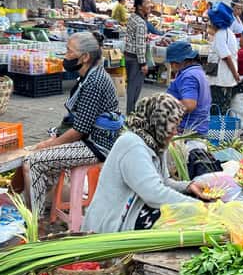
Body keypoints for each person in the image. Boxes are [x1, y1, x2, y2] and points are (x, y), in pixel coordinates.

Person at [22, 33, 119, 213]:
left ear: (85, 57)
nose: (65, 56)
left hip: (96, 145)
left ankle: (34, 220)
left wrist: (47, 144)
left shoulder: (95, 82)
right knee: (39, 153)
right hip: (89, 138)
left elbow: (79, 131)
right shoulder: (88, 76)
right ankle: (41, 202)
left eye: (69, 51)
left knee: (32, 162)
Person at [81, 94, 204, 233]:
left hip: (138, 208)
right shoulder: (132, 145)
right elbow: (153, 194)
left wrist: (189, 187)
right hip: (115, 223)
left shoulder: (157, 143)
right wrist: (199, 207)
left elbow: (163, 182)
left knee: (191, 204)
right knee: (186, 218)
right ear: (158, 123)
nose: (175, 132)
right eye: (173, 126)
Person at [166, 42, 211, 137]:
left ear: (179, 61)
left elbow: (189, 105)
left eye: (172, 62)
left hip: (188, 132)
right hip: (199, 128)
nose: (171, 65)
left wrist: (163, 106)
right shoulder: (197, 71)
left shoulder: (189, 76)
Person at [207, 4, 240, 113]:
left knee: (217, 109)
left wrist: (235, 74)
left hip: (220, 80)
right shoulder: (228, 33)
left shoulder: (220, 35)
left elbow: (226, 56)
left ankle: (216, 130)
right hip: (225, 79)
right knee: (223, 108)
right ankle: (221, 129)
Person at [125, 0, 152, 114]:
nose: (150, 5)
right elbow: (140, 45)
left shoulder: (133, 17)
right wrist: (143, 63)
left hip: (128, 55)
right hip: (136, 59)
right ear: (140, 6)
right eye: (147, 3)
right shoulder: (141, 23)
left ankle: (129, 112)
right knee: (134, 88)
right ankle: (130, 113)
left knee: (131, 85)